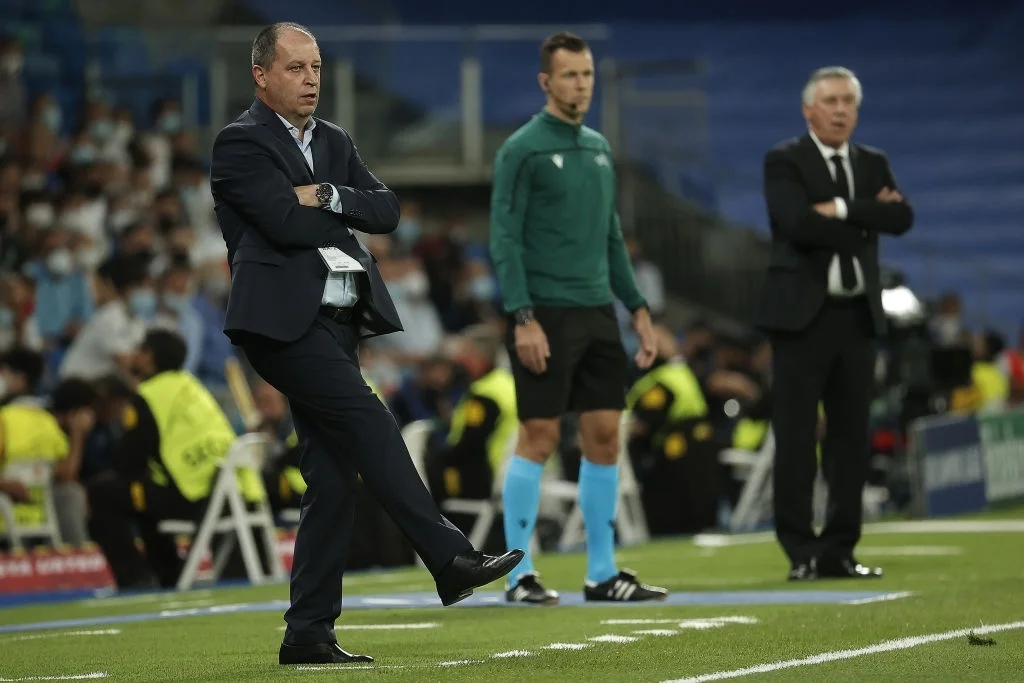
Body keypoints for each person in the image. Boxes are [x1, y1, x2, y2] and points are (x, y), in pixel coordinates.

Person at [209, 22, 522, 666]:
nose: (311, 80)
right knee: (370, 419)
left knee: (332, 477)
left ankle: (308, 633)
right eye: (296, 68)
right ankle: (449, 557)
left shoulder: (334, 140)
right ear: (261, 76)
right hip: (281, 324)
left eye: (316, 68)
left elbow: (386, 211)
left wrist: (326, 194)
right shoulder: (240, 142)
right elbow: (282, 223)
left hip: (337, 317)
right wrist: (338, 214)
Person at [489, 31, 667, 605]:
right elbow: (504, 237)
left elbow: (611, 236)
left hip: (597, 314)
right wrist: (522, 317)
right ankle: (519, 575)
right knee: (539, 437)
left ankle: (602, 573)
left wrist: (637, 308)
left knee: (605, 437)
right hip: (544, 314)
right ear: (546, 81)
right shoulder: (522, 149)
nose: (581, 84)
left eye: (587, 74)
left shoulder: (598, 147)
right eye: (570, 75)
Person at [756, 66, 913, 581]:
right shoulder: (785, 159)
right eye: (831, 101)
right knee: (797, 439)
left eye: (849, 101)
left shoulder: (872, 162)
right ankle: (801, 551)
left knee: (850, 440)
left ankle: (840, 550)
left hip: (856, 318)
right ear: (808, 110)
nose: (841, 110)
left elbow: (902, 219)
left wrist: (842, 208)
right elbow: (796, 224)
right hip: (801, 320)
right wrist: (865, 219)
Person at [85, 329, 236, 589]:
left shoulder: (151, 395)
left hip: (190, 497)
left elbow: (127, 461)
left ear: (150, 357)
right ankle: (168, 572)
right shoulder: (192, 386)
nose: (134, 355)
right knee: (142, 490)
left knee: (103, 491)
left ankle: (135, 579)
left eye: (140, 350)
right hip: (223, 491)